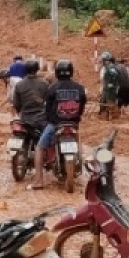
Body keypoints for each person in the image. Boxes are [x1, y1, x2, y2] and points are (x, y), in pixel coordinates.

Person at [30, 59, 87, 189]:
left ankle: (39, 181)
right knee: (79, 144)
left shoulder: (53, 88)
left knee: (39, 148)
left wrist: (51, 119)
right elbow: (83, 105)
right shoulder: (80, 88)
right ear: (71, 72)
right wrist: (76, 118)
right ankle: (79, 161)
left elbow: (48, 110)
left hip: (56, 124)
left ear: (56, 73)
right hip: (73, 124)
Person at [13, 59, 50, 189]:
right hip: (41, 119)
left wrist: (21, 113)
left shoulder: (19, 85)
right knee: (45, 144)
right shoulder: (44, 84)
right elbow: (48, 102)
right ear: (37, 69)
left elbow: (16, 104)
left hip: (25, 119)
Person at [98, 52, 120, 120]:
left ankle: (114, 117)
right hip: (106, 88)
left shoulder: (111, 67)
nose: (102, 62)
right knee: (103, 101)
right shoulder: (106, 67)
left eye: (103, 60)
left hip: (110, 89)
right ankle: (104, 115)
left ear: (106, 60)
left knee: (110, 103)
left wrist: (110, 84)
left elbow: (115, 77)